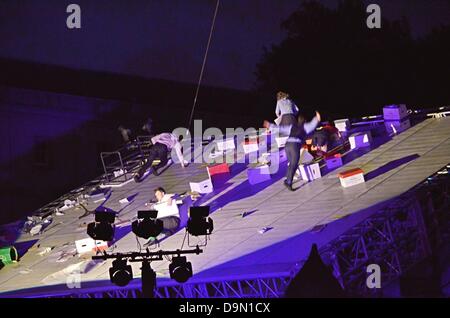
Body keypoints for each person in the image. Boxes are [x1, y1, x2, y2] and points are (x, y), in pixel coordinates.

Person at [264, 111, 321, 191]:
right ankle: (288, 182)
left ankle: (288, 179)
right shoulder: (305, 126)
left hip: (287, 145)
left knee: (292, 164)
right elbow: (313, 124)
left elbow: (281, 129)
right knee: (294, 164)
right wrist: (317, 118)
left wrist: (270, 125)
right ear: (305, 121)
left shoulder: (292, 126)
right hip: (295, 145)